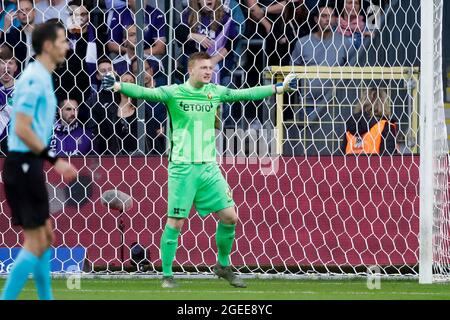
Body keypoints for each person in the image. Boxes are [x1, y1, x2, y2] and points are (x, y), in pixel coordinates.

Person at [101, 51, 297, 288]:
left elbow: (244, 94)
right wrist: (119, 85)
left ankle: (222, 265)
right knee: (175, 222)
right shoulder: (174, 92)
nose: (208, 72)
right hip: (182, 168)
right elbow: (145, 92)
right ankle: (167, 275)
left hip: (209, 168)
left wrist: (277, 88)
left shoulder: (214, 92)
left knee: (230, 217)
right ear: (191, 70)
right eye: (204, 68)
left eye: (211, 69)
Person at [1, 21, 77, 300]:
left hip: (28, 164)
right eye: (62, 40)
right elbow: (21, 127)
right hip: (22, 164)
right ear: (47, 46)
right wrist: (54, 159)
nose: (67, 45)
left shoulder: (43, 75)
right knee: (36, 242)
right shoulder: (33, 78)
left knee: (46, 238)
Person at [342, 87, 398, 155]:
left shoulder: (352, 124)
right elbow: (388, 158)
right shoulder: (385, 126)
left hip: (350, 165)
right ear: (384, 103)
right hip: (375, 165)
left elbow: (341, 154)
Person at [1, 0, 37, 71]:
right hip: (20, 78)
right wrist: (6, 27)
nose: (24, 13)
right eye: (21, 11)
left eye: (27, 9)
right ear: (17, 16)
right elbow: (3, 54)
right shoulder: (13, 35)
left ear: (34, 12)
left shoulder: (44, 32)